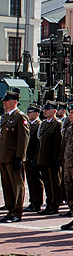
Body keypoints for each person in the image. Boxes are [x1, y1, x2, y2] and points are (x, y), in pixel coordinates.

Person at [0, 92, 29, 222]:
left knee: (17, 185)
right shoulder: (5, 117)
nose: (4, 103)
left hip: (13, 157)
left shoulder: (20, 117)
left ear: (15, 101)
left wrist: (20, 157)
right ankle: (10, 210)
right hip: (4, 157)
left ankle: (17, 212)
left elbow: (23, 139)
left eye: (7, 100)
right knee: (7, 186)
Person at [36, 103, 63, 216]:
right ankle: (49, 203)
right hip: (44, 158)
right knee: (47, 182)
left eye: (48, 109)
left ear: (54, 111)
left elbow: (59, 143)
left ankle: (55, 204)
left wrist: (58, 158)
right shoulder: (43, 124)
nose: (45, 111)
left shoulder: (57, 124)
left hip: (53, 159)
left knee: (55, 183)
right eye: (44, 110)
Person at [25, 104, 43, 213]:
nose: (28, 114)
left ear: (36, 113)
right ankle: (32, 201)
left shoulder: (39, 125)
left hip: (35, 157)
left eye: (31, 112)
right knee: (30, 181)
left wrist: (36, 157)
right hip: (28, 157)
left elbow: (39, 143)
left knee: (37, 181)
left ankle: (37, 203)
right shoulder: (29, 125)